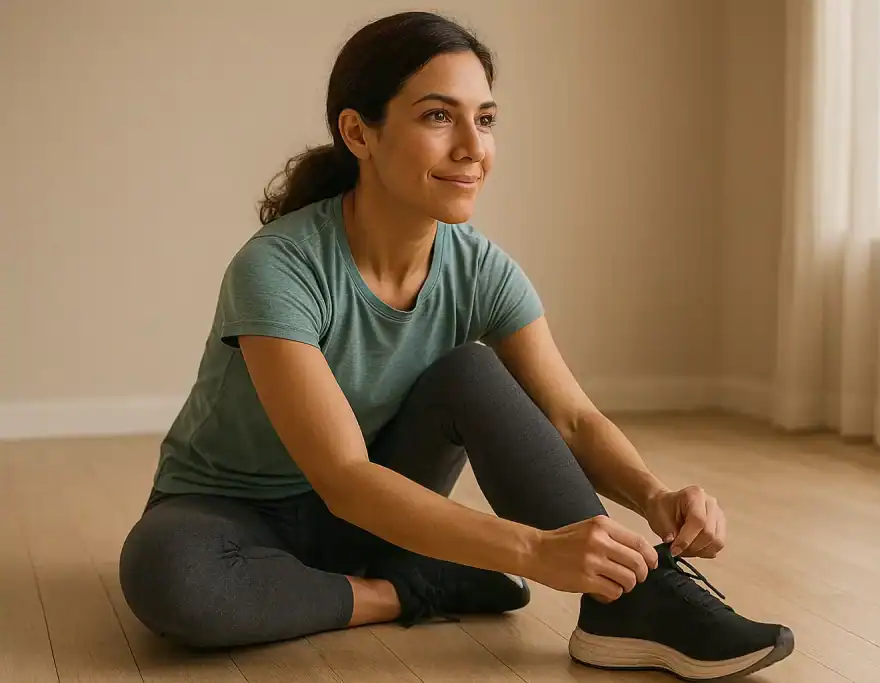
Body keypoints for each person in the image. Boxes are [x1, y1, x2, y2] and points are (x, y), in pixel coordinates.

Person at [118, 10, 793, 681]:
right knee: (169, 576)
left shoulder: (480, 268)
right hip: (235, 513)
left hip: (373, 517)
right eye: (439, 116)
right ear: (359, 132)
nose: (473, 145)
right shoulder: (277, 268)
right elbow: (344, 478)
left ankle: (630, 604)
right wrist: (529, 549)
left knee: (471, 369)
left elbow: (573, 419)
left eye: (486, 118)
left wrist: (653, 494)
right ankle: (417, 586)